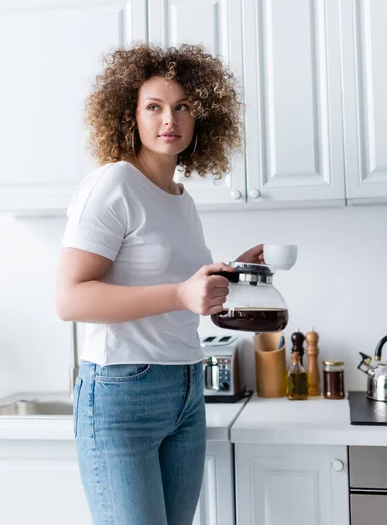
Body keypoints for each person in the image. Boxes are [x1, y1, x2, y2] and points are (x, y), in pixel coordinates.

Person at [55, 43, 264, 525]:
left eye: (183, 107)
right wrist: (180, 294)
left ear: (199, 119)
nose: (169, 119)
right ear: (130, 115)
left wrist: (230, 272)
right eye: (154, 106)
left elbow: (176, 284)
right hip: (123, 391)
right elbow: (70, 299)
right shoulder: (112, 185)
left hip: (186, 386)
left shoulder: (180, 198)